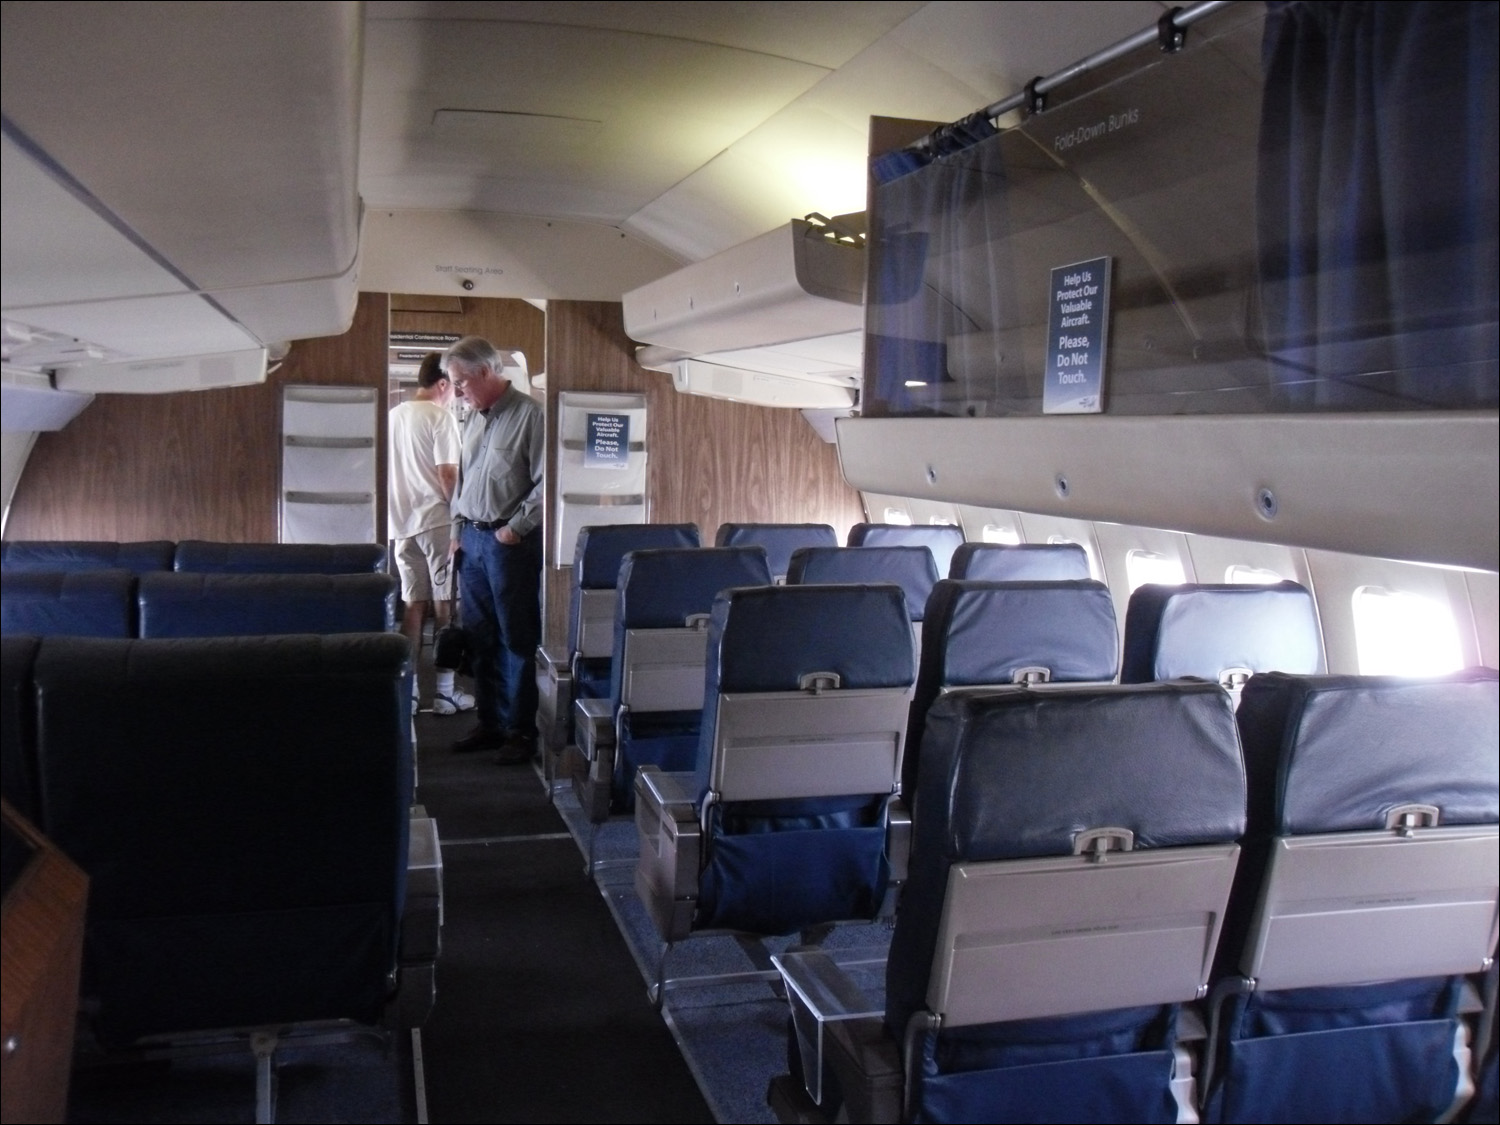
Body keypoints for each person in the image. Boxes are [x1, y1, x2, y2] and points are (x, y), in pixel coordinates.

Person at [444, 336, 544, 764]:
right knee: (480, 638)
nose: (457, 390)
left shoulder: (531, 416)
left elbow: (546, 483)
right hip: (472, 540)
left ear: (486, 372)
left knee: (517, 639)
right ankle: (491, 722)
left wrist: (515, 530)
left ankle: (521, 731)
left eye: (461, 381)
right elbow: (463, 482)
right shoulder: (471, 418)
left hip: (507, 544)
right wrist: (456, 531)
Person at [389, 352, 474, 714]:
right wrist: (462, 516)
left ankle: (408, 692)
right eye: (454, 385)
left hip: (401, 524)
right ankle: (443, 692)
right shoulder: (440, 417)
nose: (456, 393)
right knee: (445, 604)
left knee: (413, 605)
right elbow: (448, 475)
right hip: (437, 520)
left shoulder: (393, 416)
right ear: (443, 384)